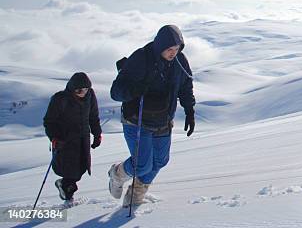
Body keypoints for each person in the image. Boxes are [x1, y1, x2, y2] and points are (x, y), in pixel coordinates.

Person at [108, 25, 196, 206]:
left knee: (160, 161)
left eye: (177, 49)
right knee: (141, 164)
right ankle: (117, 174)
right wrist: (134, 90)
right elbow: (116, 92)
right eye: (169, 49)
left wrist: (189, 110)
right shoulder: (141, 58)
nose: (173, 53)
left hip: (163, 121)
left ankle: (137, 191)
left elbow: (185, 86)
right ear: (160, 45)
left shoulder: (180, 61)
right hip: (136, 120)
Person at [43, 72, 102, 201]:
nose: (83, 92)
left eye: (86, 89)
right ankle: (67, 192)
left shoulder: (90, 96)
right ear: (72, 88)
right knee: (69, 169)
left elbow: (93, 117)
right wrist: (54, 137)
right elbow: (49, 121)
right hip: (65, 140)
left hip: (83, 139)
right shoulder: (60, 99)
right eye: (80, 90)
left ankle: (66, 187)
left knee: (81, 168)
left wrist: (97, 134)